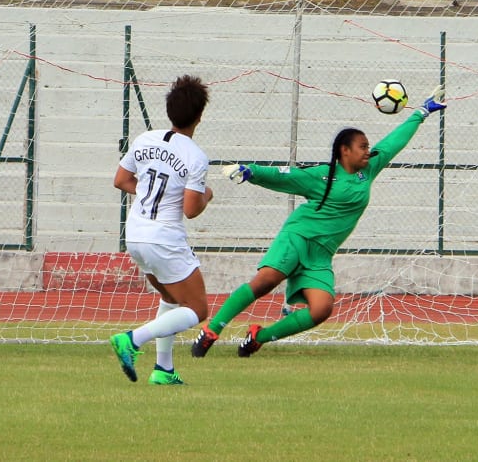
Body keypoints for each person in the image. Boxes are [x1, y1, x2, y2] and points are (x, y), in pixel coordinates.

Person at [190, 85, 447, 358]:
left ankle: (258, 337)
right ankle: (212, 330)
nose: (367, 151)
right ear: (345, 150)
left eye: (368, 146)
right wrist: (250, 171)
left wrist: (422, 112)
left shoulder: (369, 169)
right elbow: (284, 176)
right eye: (362, 146)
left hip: (321, 254)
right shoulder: (323, 175)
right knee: (266, 281)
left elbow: (394, 142)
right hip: (298, 237)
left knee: (321, 309)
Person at [109, 75, 214, 385]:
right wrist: (207, 195)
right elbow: (191, 209)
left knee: (170, 296)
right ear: (200, 116)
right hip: (163, 238)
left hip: (135, 234)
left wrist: (148, 193)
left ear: (169, 111)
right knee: (198, 309)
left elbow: (121, 180)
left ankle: (163, 370)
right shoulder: (195, 156)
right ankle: (132, 339)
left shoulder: (145, 139)